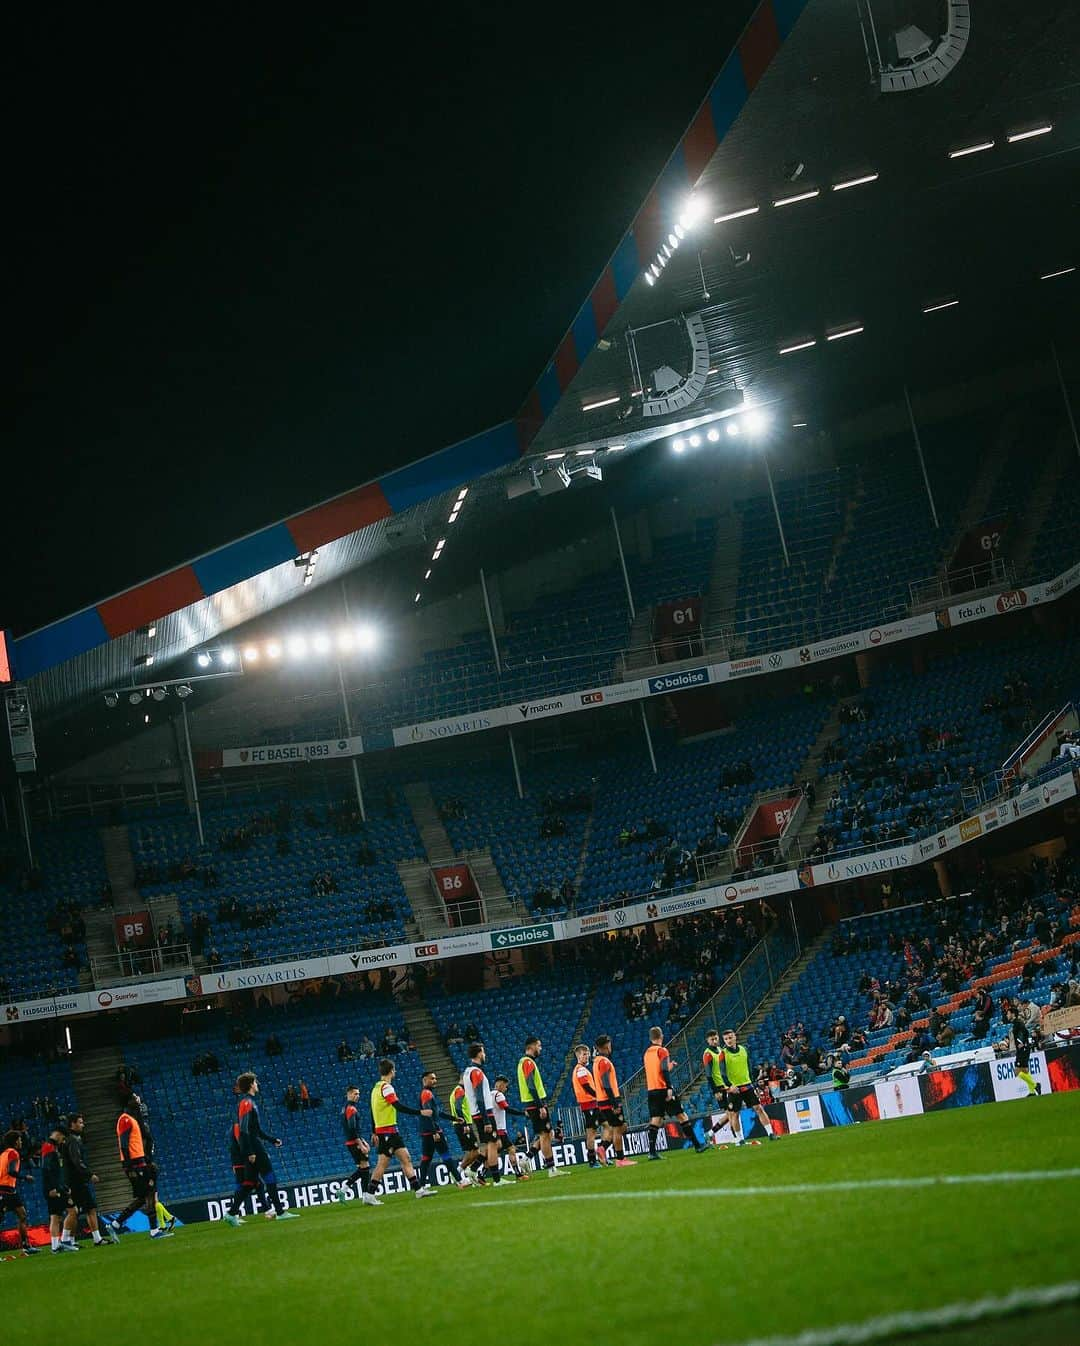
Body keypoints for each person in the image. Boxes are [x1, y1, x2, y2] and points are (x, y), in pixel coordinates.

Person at [233, 1072, 299, 1221]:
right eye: (255, 1082)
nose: (257, 1084)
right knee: (269, 1176)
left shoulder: (250, 1102)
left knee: (249, 1183)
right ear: (251, 1085)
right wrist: (249, 1151)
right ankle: (280, 1212)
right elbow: (243, 1129)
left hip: (253, 1143)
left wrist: (271, 1139)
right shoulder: (246, 1103)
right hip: (253, 1146)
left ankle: (231, 1214)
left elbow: (255, 1130)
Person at [368, 1059, 434, 1199]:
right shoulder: (386, 1088)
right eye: (394, 1070)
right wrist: (420, 1112)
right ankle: (369, 1194)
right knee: (382, 1164)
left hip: (388, 1131)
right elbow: (398, 1106)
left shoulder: (375, 1089)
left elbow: (373, 1112)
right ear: (391, 1071)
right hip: (387, 1132)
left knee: (406, 1158)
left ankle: (418, 1190)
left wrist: (374, 1130)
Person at [111, 1106, 173, 1238]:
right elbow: (137, 1145)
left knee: (142, 1198)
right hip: (141, 1164)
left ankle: (117, 1223)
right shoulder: (139, 1127)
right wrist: (133, 1164)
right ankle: (154, 1230)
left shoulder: (140, 1126)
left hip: (142, 1162)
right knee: (149, 1194)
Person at [643, 1026, 705, 1159]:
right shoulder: (662, 1050)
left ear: (650, 1038)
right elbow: (664, 1069)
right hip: (663, 1089)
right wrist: (669, 1087)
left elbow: (657, 1070)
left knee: (656, 1120)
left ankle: (652, 1152)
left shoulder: (647, 1052)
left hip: (651, 1090)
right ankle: (698, 1145)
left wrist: (667, 1068)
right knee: (682, 1116)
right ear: (662, 1036)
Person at [717, 1029, 778, 1145]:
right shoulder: (723, 1054)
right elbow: (722, 1073)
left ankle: (771, 1133)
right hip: (734, 1089)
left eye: (730, 1037)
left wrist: (751, 1080)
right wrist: (730, 1086)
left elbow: (749, 1066)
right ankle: (740, 1139)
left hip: (747, 1085)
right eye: (726, 1039)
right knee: (735, 1114)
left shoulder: (744, 1049)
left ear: (735, 1037)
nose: (728, 1040)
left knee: (759, 1108)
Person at [63, 1114, 117, 1247]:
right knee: (90, 1208)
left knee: (75, 1211)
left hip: (71, 1180)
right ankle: (96, 1239)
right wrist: (89, 1174)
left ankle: (69, 1240)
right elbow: (77, 1161)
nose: (83, 1125)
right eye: (80, 1122)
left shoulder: (70, 1140)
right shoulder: (73, 1140)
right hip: (77, 1181)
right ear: (73, 1124)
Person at [517, 1035, 565, 1178]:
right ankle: (551, 1169)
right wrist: (540, 1106)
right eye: (539, 1045)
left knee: (548, 1134)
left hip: (532, 1104)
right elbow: (531, 1086)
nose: (540, 1048)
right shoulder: (527, 1062)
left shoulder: (524, 1062)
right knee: (545, 1135)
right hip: (535, 1104)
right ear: (531, 1047)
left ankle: (527, 1158)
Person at [417, 1071, 470, 1190]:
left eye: (435, 1078)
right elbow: (428, 1114)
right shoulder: (426, 1094)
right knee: (446, 1155)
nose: (435, 1081)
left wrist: (454, 1118)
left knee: (426, 1159)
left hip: (426, 1131)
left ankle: (420, 1187)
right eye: (432, 1079)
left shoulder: (427, 1093)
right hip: (432, 1131)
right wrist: (435, 1131)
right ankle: (460, 1180)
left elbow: (438, 1113)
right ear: (425, 1080)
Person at [463, 1042, 505, 1188]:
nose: (485, 1054)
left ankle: (473, 1170)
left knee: (495, 1144)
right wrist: (487, 1119)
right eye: (484, 1052)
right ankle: (497, 1180)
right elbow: (480, 1096)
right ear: (480, 1053)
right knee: (493, 1145)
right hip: (484, 1113)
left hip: (477, 1113)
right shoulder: (476, 1072)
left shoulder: (468, 1071)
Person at [335, 1086, 382, 1207]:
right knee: (365, 1168)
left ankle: (356, 1193)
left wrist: (362, 1140)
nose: (358, 1096)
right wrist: (360, 1144)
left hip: (352, 1142)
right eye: (355, 1094)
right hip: (354, 1143)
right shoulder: (351, 1109)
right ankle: (359, 1194)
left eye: (358, 1094)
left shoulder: (345, 1108)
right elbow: (352, 1128)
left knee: (364, 1169)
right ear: (349, 1094)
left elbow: (352, 1129)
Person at [593, 1035, 635, 1167]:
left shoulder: (597, 1061)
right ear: (606, 1046)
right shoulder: (604, 1062)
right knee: (618, 1128)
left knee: (621, 1126)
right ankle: (621, 1159)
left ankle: (603, 1148)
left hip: (602, 1101)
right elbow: (606, 1084)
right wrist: (614, 1103)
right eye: (609, 1044)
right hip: (609, 1101)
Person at [41, 1124, 79, 1253]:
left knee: (55, 1216)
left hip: (55, 1187)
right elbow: (47, 1169)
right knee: (72, 1210)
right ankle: (64, 1241)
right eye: (63, 1138)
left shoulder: (52, 1147)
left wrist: (63, 1186)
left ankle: (56, 1246)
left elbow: (55, 1171)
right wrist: (53, 1188)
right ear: (58, 1134)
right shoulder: (49, 1147)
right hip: (53, 1188)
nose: (63, 1141)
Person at [0, 1129, 38, 1255]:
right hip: (6, 1190)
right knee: (22, 1216)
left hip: (6, 1189)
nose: (21, 1142)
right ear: (16, 1142)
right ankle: (26, 1246)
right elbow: (11, 1171)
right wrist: (25, 1177)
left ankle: (26, 1245)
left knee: (22, 1215)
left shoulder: (3, 1154)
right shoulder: (13, 1153)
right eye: (20, 1140)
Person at [490, 1076, 531, 1180]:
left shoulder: (489, 1094)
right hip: (500, 1129)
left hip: (495, 1128)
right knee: (498, 1151)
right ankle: (477, 1170)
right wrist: (523, 1113)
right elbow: (507, 1109)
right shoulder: (499, 1095)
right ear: (500, 1084)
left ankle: (518, 1174)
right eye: (506, 1086)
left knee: (503, 1150)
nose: (506, 1089)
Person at [571, 1044, 602, 1168]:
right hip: (588, 1104)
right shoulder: (581, 1070)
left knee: (605, 1126)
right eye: (584, 1054)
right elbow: (587, 1087)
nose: (587, 1056)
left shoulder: (582, 1069)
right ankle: (592, 1160)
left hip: (592, 1103)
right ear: (578, 1056)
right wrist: (598, 1095)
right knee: (591, 1133)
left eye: (588, 1053)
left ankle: (601, 1153)